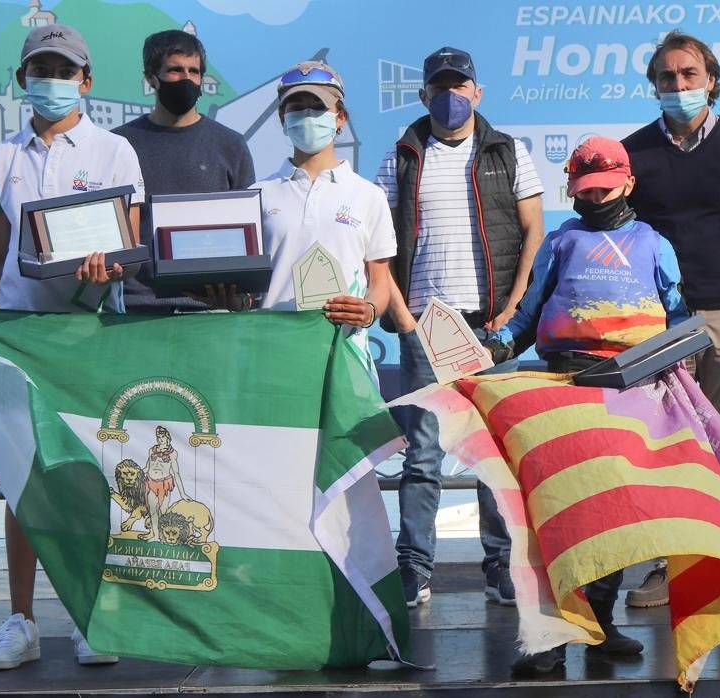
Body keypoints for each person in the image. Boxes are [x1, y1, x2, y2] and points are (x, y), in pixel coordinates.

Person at [0, 23, 145, 670]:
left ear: (86, 81)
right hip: (17, 333)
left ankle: (92, 615)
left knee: (88, 476)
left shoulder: (116, 152)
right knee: (24, 480)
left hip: (87, 332)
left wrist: (107, 270)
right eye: (40, 68)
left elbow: (127, 247)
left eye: (64, 70)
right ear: (20, 80)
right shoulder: (2, 158)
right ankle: (20, 621)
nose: (51, 80)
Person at [480, 136, 687, 675]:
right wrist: (499, 346)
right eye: (585, 192)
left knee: (614, 515)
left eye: (605, 190)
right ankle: (550, 639)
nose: (595, 200)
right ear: (571, 191)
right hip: (562, 385)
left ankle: (599, 624)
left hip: (629, 390)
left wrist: (680, 357)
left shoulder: (654, 244)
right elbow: (526, 314)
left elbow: (680, 316)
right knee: (560, 515)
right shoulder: (560, 241)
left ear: (628, 183)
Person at [376, 46, 544, 609]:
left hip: (491, 328)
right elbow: (378, 248)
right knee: (422, 454)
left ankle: (500, 566)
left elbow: (534, 236)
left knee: (493, 454)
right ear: (425, 95)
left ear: (478, 92)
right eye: (440, 87)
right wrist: (402, 317)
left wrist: (514, 311)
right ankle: (415, 567)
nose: (451, 96)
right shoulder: (399, 156)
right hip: (424, 324)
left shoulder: (509, 152)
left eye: (460, 85)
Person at [621, 30, 720, 609]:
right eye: (667, 77)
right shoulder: (633, 152)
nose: (678, 85)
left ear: (711, 79)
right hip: (658, 325)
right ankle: (669, 563)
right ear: (654, 86)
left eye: (688, 75)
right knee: (666, 445)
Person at [245, 61, 393, 359]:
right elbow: (244, 288)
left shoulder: (369, 196)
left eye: (318, 107)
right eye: (296, 107)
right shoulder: (255, 196)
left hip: (344, 353)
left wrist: (369, 310)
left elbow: (380, 283)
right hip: (271, 352)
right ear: (282, 118)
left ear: (340, 118)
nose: (307, 115)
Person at [114, 29, 255, 313]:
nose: (187, 79)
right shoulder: (118, 145)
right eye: (175, 70)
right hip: (136, 310)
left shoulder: (231, 145)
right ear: (151, 77)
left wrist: (241, 296)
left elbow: (248, 234)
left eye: (194, 71)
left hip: (209, 309)